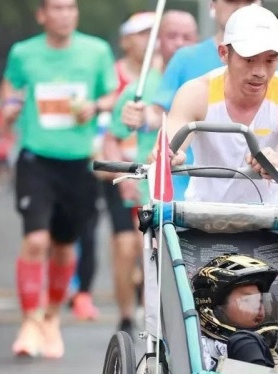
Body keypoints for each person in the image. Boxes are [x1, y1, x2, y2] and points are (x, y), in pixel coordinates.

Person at [2, 0, 117, 359]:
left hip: (78, 162)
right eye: (57, 8)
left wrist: (95, 107)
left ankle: (51, 317)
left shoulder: (96, 50)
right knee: (36, 239)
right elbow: (10, 88)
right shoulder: (23, 52)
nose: (65, 14)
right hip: (36, 159)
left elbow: (111, 93)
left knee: (65, 246)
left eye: (71, 8)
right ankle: (29, 320)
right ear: (42, 14)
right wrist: (10, 107)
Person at [125, 4, 278, 205]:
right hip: (202, 218)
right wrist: (169, 158)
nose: (260, 71)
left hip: (270, 220)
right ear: (224, 53)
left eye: (270, 60)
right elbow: (160, 156)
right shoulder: (196, 93)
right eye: (249, 59)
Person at [103, 12, 198, 337]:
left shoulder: (206, 80)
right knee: (137, 249)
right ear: (160, 41)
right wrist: (126, 178)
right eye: (173, 36)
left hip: (198, 181)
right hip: (151, 184)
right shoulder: (140, 88)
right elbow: (114, 136)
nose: (180, 44)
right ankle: (130, 316)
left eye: (187, 37)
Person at [192, 254, 278, 374]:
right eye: (248, 300)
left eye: (260, 300)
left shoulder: (273, 351)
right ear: (215, 307)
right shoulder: (195, 352)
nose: (259, 308)